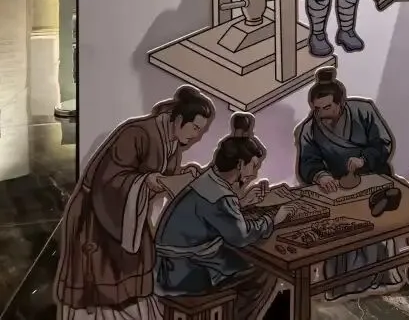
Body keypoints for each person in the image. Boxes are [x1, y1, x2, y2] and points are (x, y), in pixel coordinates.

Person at [54, 86, 214, 320]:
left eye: (202, 131)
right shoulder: (137, 133)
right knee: (102, 277)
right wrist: (152, 181)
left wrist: (183, 175)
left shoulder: (171, 142)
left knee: (139, 264)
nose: (197, 136)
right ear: (179, 119)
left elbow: (164, 176)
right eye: (196, 128)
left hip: (130, 215)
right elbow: (109, 181)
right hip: (99, 212)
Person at [153, 128, 285, 320]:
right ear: (240, 164)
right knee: (264, 271)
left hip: (171, 266)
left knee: (241, 260)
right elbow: (241, 237)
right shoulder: (221, 197)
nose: (255, 173)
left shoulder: (208, 180)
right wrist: (272, 220)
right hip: (185, 273)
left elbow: (214, 216)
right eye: (253, 166)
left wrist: (242, 202)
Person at [294, 68, 398, 297]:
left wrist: (364, 160)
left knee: (373, 231)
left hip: (372, 180)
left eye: (327, 107)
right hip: (337, 188)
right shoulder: (309, 129)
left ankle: (378, 278)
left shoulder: (364, 111)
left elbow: (383, 144)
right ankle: (343, 287)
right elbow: (307, 162)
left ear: (341, 103)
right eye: (316, 109)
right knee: (341, 236)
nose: (321, 114)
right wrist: (320, 175)